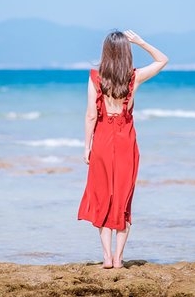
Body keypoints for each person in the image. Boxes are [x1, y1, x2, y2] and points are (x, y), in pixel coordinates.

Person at [77, 29, 168, 269]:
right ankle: (119, 258)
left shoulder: (96, 77)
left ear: (105, 52)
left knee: (103, 196)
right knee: (122, 199)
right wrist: (141, 42)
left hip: (103, 142)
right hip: (126, 142)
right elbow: (162, 60)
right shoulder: (134, 77)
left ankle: (107, 257)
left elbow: (90, 115)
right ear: (127, 53)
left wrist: (86, 147)